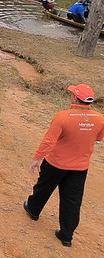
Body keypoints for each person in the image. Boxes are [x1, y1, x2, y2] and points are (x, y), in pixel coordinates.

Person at [24, 83, 104, 248]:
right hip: (80, 168)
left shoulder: (62, 116)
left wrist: (37, 158)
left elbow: (49, 140)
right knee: (72, 201)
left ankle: (33, 210)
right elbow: (98, 138)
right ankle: (66, 236)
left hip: (56, 163)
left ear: (75, 98)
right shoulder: (100, 118)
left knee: (43, 188)